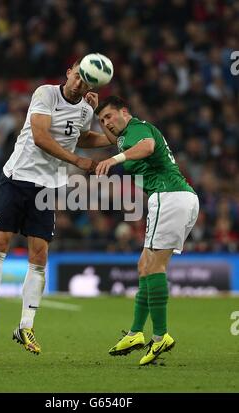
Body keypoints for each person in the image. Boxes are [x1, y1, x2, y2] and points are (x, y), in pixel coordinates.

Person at [0, 59, 112, 354]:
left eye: (86, 82)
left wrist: (107, 127)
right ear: (70, 71)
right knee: (0, 242)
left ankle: (26, 327)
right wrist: (77, 160)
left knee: (40, 255)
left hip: (47, 186)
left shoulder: (86, 109)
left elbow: (82, 136)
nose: (79, 84)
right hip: (17, 178)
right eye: (77, 77)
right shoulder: (45, 94)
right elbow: (41, 136)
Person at [95, 96, 199, 366]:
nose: (107, 123)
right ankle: (135, 333)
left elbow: (148, 146)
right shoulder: (124, 135)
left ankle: (161, 336)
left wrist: (115, 159)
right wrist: (95, 111)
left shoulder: (137, 129)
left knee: (154, 267)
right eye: (102, 120)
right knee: (144, 265)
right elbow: (115, 139)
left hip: (169, 196)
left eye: (109, 117)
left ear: (124, 112)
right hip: (173, 198)